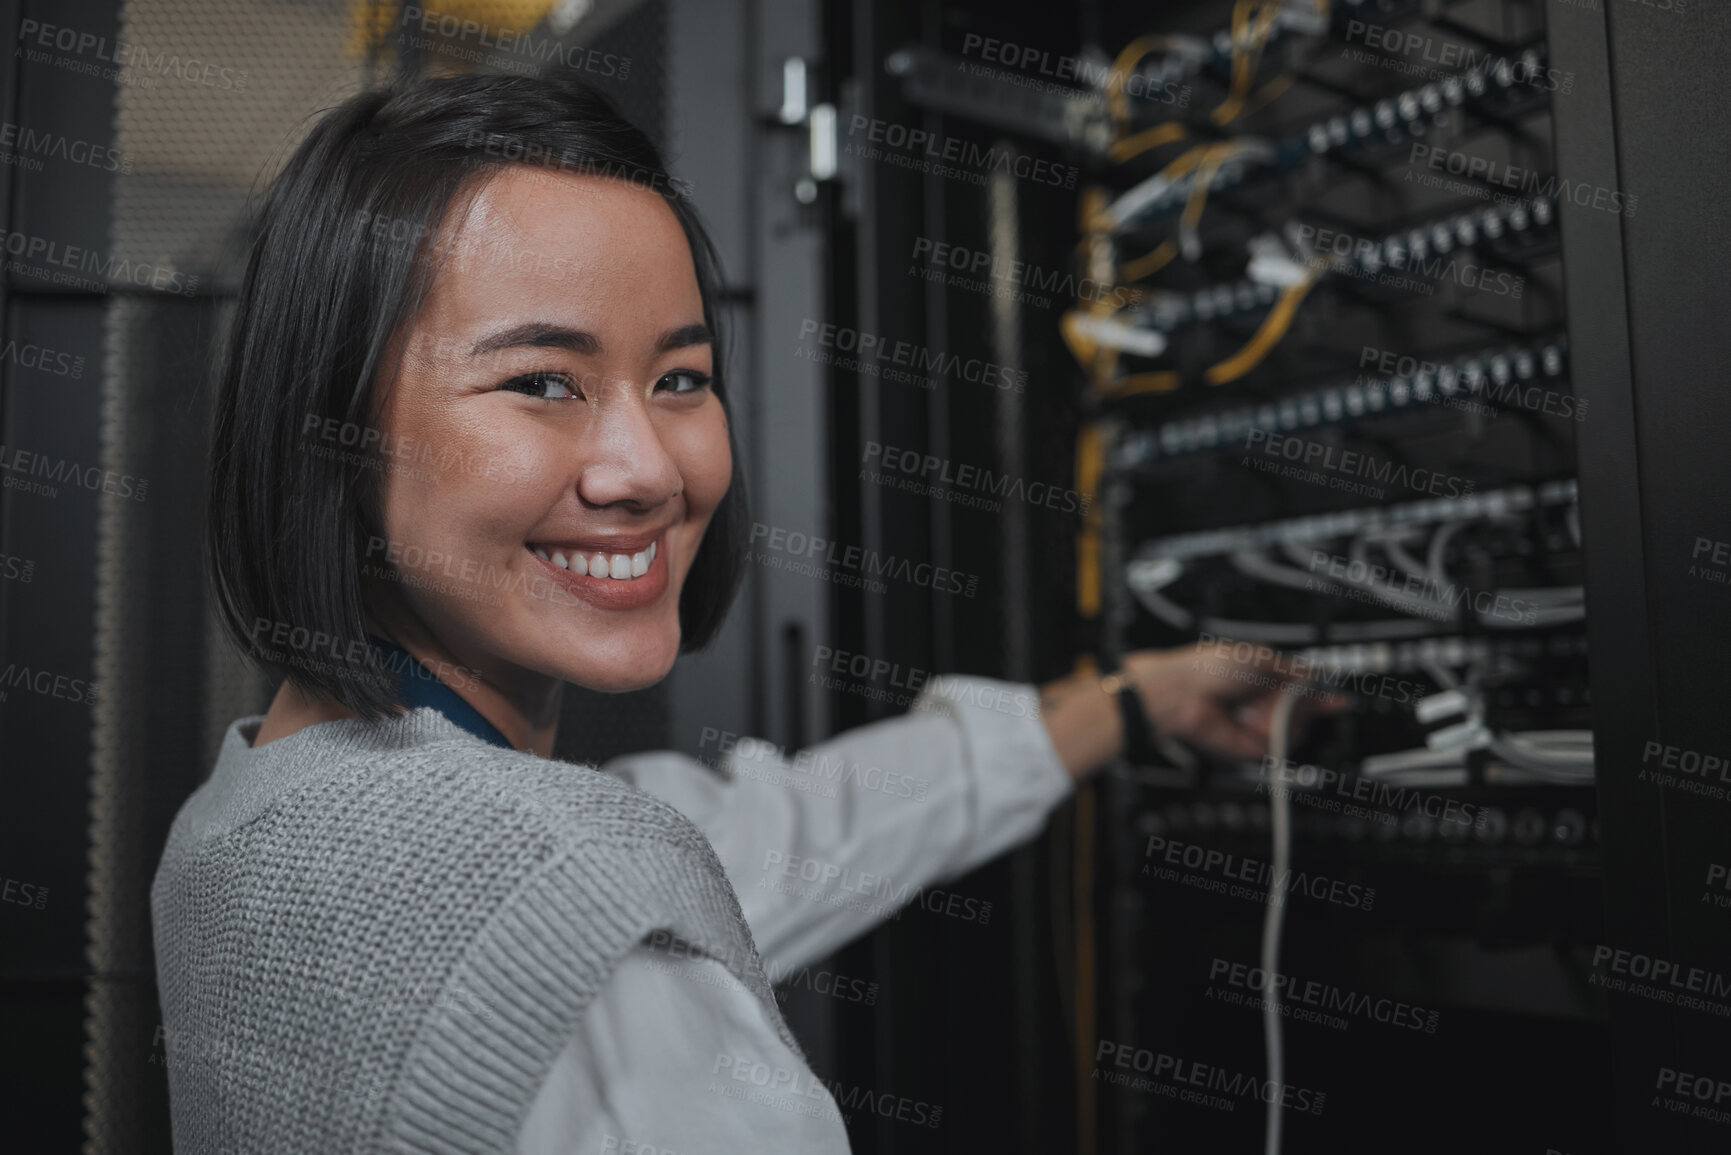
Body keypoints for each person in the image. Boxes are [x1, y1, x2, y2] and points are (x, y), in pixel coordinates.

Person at [151, 71, 1330, 1154]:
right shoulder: (545, 900)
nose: (647, 470)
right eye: (541, 383)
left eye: (679, 378)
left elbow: (773, 843)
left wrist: (1130, 700)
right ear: (331, 430)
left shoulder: (255, 814)